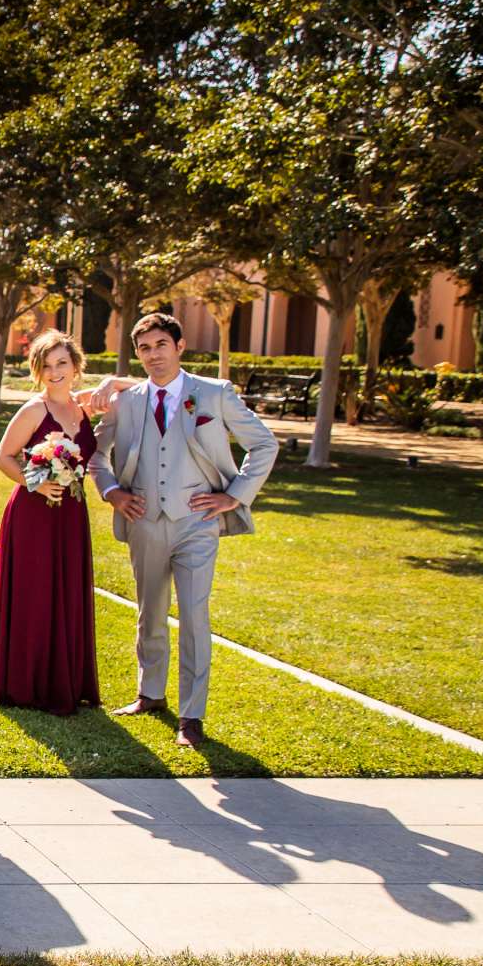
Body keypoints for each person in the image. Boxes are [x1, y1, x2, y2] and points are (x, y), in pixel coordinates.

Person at [89, 311, 280, 748]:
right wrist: (113, 491)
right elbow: (97, 455)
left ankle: (192, 716)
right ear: (137, 354)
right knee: (149, 611)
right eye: (144, 348)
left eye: (161, 345)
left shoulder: (214, 394)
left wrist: (235, 494)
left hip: (198, 522)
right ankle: (150, 693)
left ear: (179, 346)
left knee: (195, 616)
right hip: (143, 519)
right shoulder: (128, 401)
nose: (153, 355)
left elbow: (264, 443)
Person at [0, 330, 104, 717]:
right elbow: (3, 457)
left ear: (75, 366)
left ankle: (66, 678)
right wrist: (37, 482)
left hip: (71, 514)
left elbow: (137, 389)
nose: (55, 372)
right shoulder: (34, 410)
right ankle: (26, 683)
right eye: (46, 365)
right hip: (34, 513)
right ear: (37, 371)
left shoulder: (84, 410)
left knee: (67, 590)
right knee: (35, 593)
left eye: (62, 363)